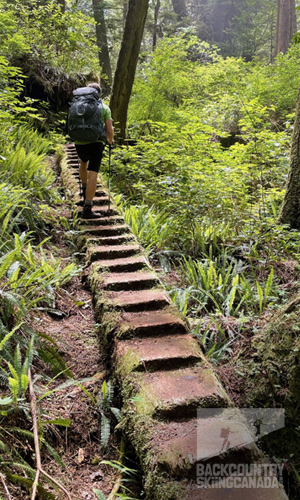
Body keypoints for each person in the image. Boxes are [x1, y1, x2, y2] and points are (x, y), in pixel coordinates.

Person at [74, 82, 114, 219]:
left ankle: (84, 190)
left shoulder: (78, 107)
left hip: (79, 142)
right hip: (96, 143)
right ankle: (88, 207)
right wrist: (110, 140)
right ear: (98, 94)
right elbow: (109, 130)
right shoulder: (104, 108)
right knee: (94, 172)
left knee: (83, 162)